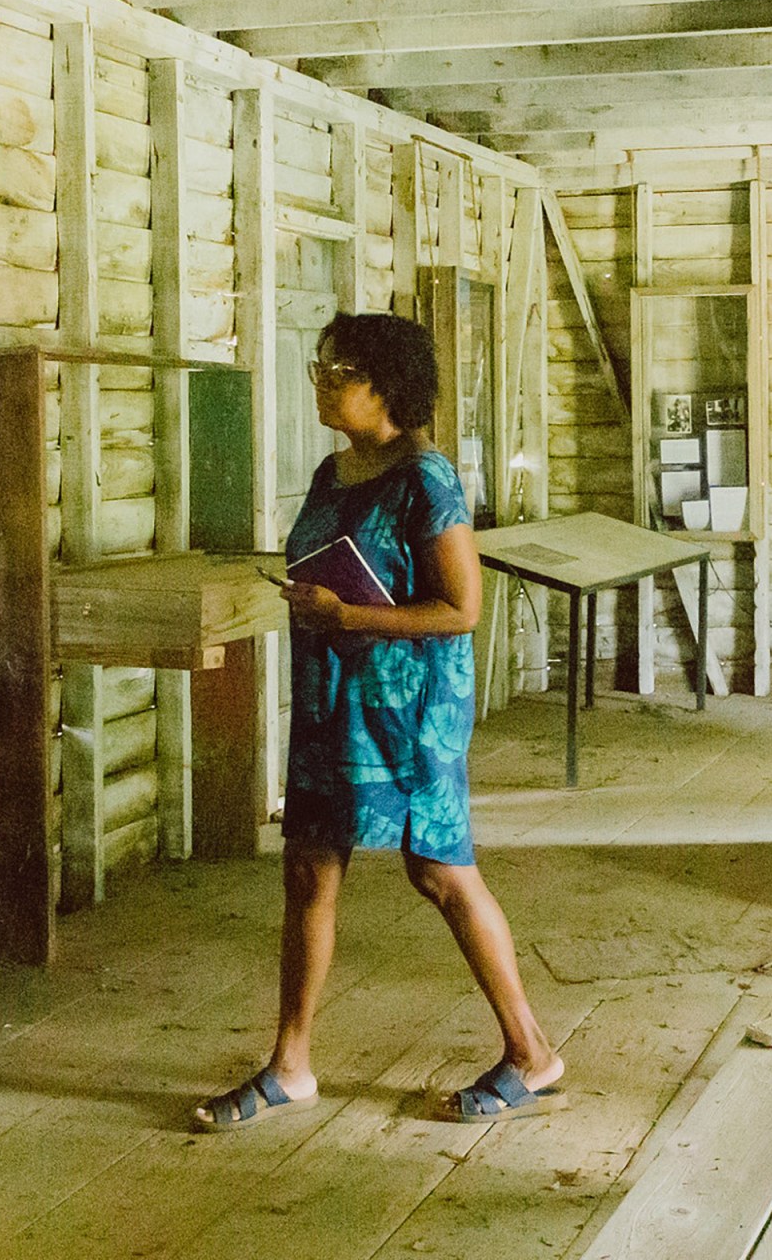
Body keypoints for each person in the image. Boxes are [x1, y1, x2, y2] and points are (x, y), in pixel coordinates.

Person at [194, 312, 562, 1130]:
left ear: (385, 386)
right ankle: (290, 1066)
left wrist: (346, 617)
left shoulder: (427, 479)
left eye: (338, 370)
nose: (320, 381)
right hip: (335, 697)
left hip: (412, 706)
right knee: (308, 866)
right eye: (319, 365)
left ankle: (533, 1053)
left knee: (437, 870)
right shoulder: (333, 475)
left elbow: (461, 611)